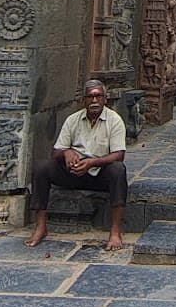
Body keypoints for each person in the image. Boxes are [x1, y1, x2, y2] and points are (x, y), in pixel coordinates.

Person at [25, 79, 127, 252]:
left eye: (98, 96)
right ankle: (40, 226)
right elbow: (56, 151)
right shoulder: (73, 120)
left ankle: (115, 231)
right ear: (83, 100)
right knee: (41, 167)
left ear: (104, 99)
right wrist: (67, 152)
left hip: (98, 175)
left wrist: (92, 162)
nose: (94, 101)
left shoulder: (114, 120)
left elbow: (119, 155)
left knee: (118, 171)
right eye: (90, 97)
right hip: (73, 172)